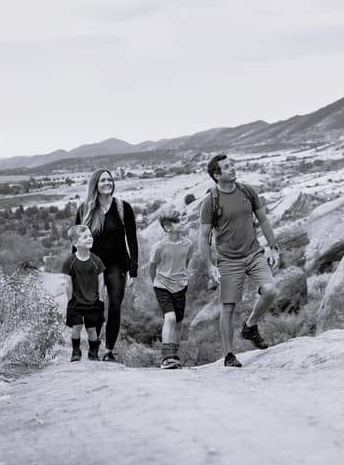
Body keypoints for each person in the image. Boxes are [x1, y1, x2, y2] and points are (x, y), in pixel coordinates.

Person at [199, 153, 280, 368]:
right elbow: (203, 236)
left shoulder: (247, 191)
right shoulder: (211, 201)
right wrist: (209, 265)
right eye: (227, 167)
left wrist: (273, 247)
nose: (233, 168)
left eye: (232, 165)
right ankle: (229, 355)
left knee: (270, 290)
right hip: (228, 260)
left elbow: (263, 219)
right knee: (228, 307)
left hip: (253, 253)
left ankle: (250, 326)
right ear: (217, 175)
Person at [75, 168, 139, 362]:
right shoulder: (85, 209)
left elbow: (132, 239)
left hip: (118, 266)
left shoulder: (123, 207)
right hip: (92, 267)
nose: (107, 183)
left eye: (109, 180)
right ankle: (94, 348)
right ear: (95, 184)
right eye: (102, 180)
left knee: (114, 308)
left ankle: (108, 351)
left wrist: (134, 268)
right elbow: (76, 241)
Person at [149, 208, 194, 370]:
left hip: (180, 286)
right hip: (162, 286)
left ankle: (174, 355)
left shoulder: (188, 244)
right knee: (170, 318)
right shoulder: (159, 246)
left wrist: (181, 278)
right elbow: (152, 267)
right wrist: (156, 282)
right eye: (178, 221)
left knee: (179, 322)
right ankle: (166, 357)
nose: (183, 222)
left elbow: (186, 263)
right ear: (168, 227)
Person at [61, 224, 106, 362]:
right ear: (75, 243)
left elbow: (101, 282)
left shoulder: (96, 261)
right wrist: (70, 301)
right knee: (77, 327)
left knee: (92, 329)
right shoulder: (70, 262)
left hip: (93, 302)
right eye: (85, 237)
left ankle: (93, 353)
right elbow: (68, 284)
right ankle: (76, 352)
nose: (90, 238)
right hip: (76, 302)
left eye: (90, 236)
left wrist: (101, 301)